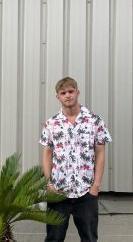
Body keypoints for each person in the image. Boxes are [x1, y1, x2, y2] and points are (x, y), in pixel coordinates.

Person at [39, 77, 112, 242]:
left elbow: (100, 153)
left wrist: (96, 186)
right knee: (53, 238)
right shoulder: (51, 124)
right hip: (58, 193)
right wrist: (49, 184)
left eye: (71, 91)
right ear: (57, 96)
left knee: (89, 238)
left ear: (77, 92)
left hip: (86, 192)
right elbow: (47, 154)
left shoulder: (95, 121)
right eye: (63, 93)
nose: (68, 95)